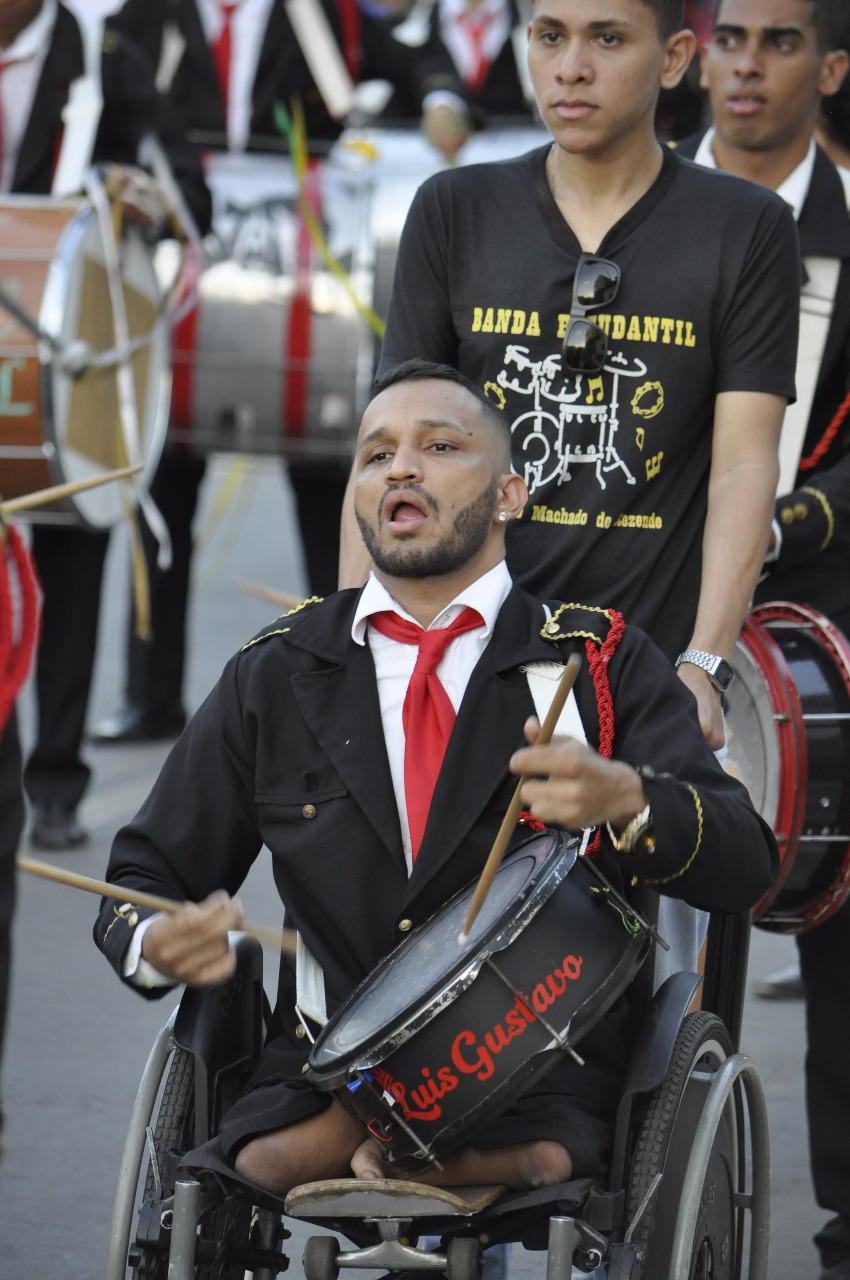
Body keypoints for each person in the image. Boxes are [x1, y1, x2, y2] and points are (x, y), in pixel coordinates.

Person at [95, 360, 777, 1197]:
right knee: (253, 1167)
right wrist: (157, 942)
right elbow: (145, 877)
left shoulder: (594, 663)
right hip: (335, 1066)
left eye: (440, 446)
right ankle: (411, 1153)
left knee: (559, 1157)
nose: (401, 468)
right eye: (375, 455)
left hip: (539, 1071)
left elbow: (746, 856)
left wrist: (627, 801)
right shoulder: (275, 673)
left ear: (509, 495)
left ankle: (485, 1162)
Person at [341, 0, 800, 763]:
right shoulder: (453, 209)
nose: (571, 68)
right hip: (458, 661)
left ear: (676, 58)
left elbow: (746, 462)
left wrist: (705, 663)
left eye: (608, 38)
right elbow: (390, 453)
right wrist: (353, 641)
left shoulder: (747, 228)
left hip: (647, 683)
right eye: (551, 37)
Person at [90, 0, 470, 748]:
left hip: (301, 300)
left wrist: (442, 99)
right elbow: (100, 99)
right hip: (178, 291)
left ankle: (337, 695)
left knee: (328, 497)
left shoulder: (323, 13)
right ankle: (149, 694)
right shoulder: (150, 13)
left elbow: (417, 62)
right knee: (160, 496)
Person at [682, 3, 850, 1277]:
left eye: (779, 41)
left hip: (826, 613)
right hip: (641, 606)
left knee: (843, 925)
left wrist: (783, 523)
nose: (747, 64)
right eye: (729, 36)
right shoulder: (626, 204)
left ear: (829, 68)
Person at [0, 0, 211, 851]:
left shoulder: (102, 58)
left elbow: (186, 190)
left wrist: (146, 200)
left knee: (70, 561)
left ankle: (54, 779)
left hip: (64, 364)